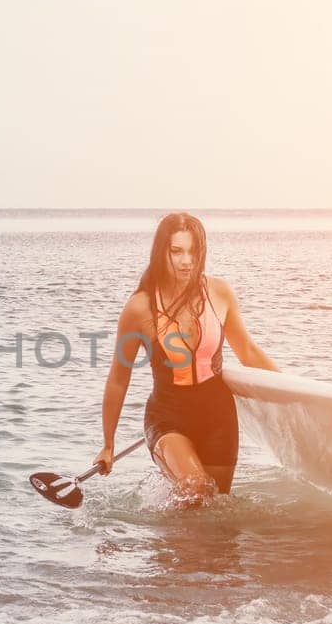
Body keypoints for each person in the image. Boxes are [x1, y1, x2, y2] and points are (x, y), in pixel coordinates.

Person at [95, 212, 278, 502]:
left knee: (215, 506)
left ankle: (178, 544)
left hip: (218, 417)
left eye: (193, 251)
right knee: (196, 487)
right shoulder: (139, 309)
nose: (186, 261)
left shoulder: (219, 292)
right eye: (177, 251)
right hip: (168, 417)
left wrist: (299, 396)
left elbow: (249, 353)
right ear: (161, 253)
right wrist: (108, 443)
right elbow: (119, 378)